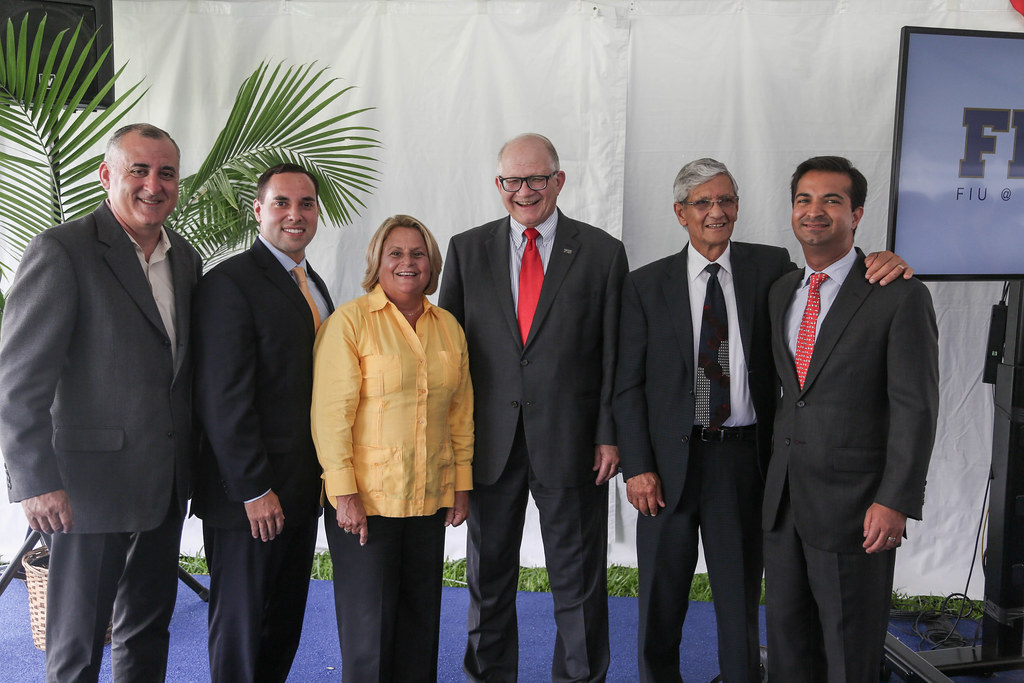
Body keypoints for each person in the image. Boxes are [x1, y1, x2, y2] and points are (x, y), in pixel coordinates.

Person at [614, 158, 913, 683]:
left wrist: (885, 260)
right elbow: (627, 383)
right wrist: (637, 465)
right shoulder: (644, 284)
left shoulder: (772, 269)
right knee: (659, 606)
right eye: (703, 203)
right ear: (680, 212)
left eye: (726, 200)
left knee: (740, 603)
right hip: (664, 470)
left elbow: (838, 275)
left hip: (745, 463)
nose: (716, 212)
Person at [0, 123, 202, 682]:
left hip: (163, 485)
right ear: (106, 175)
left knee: (146, 631)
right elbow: (18, 380)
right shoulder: (63, 251)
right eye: (138, 169)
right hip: (86, 491)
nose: (153, 185)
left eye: (166, 172)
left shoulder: (184, 258)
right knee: (77, 645)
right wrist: (35, 480)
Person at [438, 133, 628, 683]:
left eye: (536, 179)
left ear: (559, 181)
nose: (524, 191)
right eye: (512, 181)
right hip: (489, 445)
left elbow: (612, 354)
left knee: (579, 582)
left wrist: (608, 433)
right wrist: (451, 448)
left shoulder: (600, 252)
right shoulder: (467, 249)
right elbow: (450, 356)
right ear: (499, 185)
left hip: (572, 444)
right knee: (488, 579)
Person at [763, 156, 939, 682]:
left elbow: (917, 407)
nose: (814, 212)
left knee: (849, 652)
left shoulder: (898, 294)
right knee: (788, 644)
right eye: (804, 199)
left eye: (831, 201)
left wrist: (896, 499)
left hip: (857, 507)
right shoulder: (782, 291)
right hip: (785, 501)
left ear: (857, 213)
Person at [311, 214, 473, 682]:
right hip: (367, 505)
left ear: (432, 264)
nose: (408, 262)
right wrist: (343, 493)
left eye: (417, 253)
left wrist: (461, 484)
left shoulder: (448, 328)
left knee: (419, 627)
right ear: (377, 262)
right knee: (370, 637)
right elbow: (330, 416)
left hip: (428, 499)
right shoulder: (350, 323)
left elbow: (461, 413)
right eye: (395, 253)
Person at [191, 163, 333, 682]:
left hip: (299, 491)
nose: (295, 214)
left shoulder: (310, 282)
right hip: (251, 497)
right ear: (258, 209)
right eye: (281, 203)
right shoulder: (229, 283)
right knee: (242, 628)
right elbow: (222, 397)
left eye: (306, 204)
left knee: (282, 622)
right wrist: (254, 489)